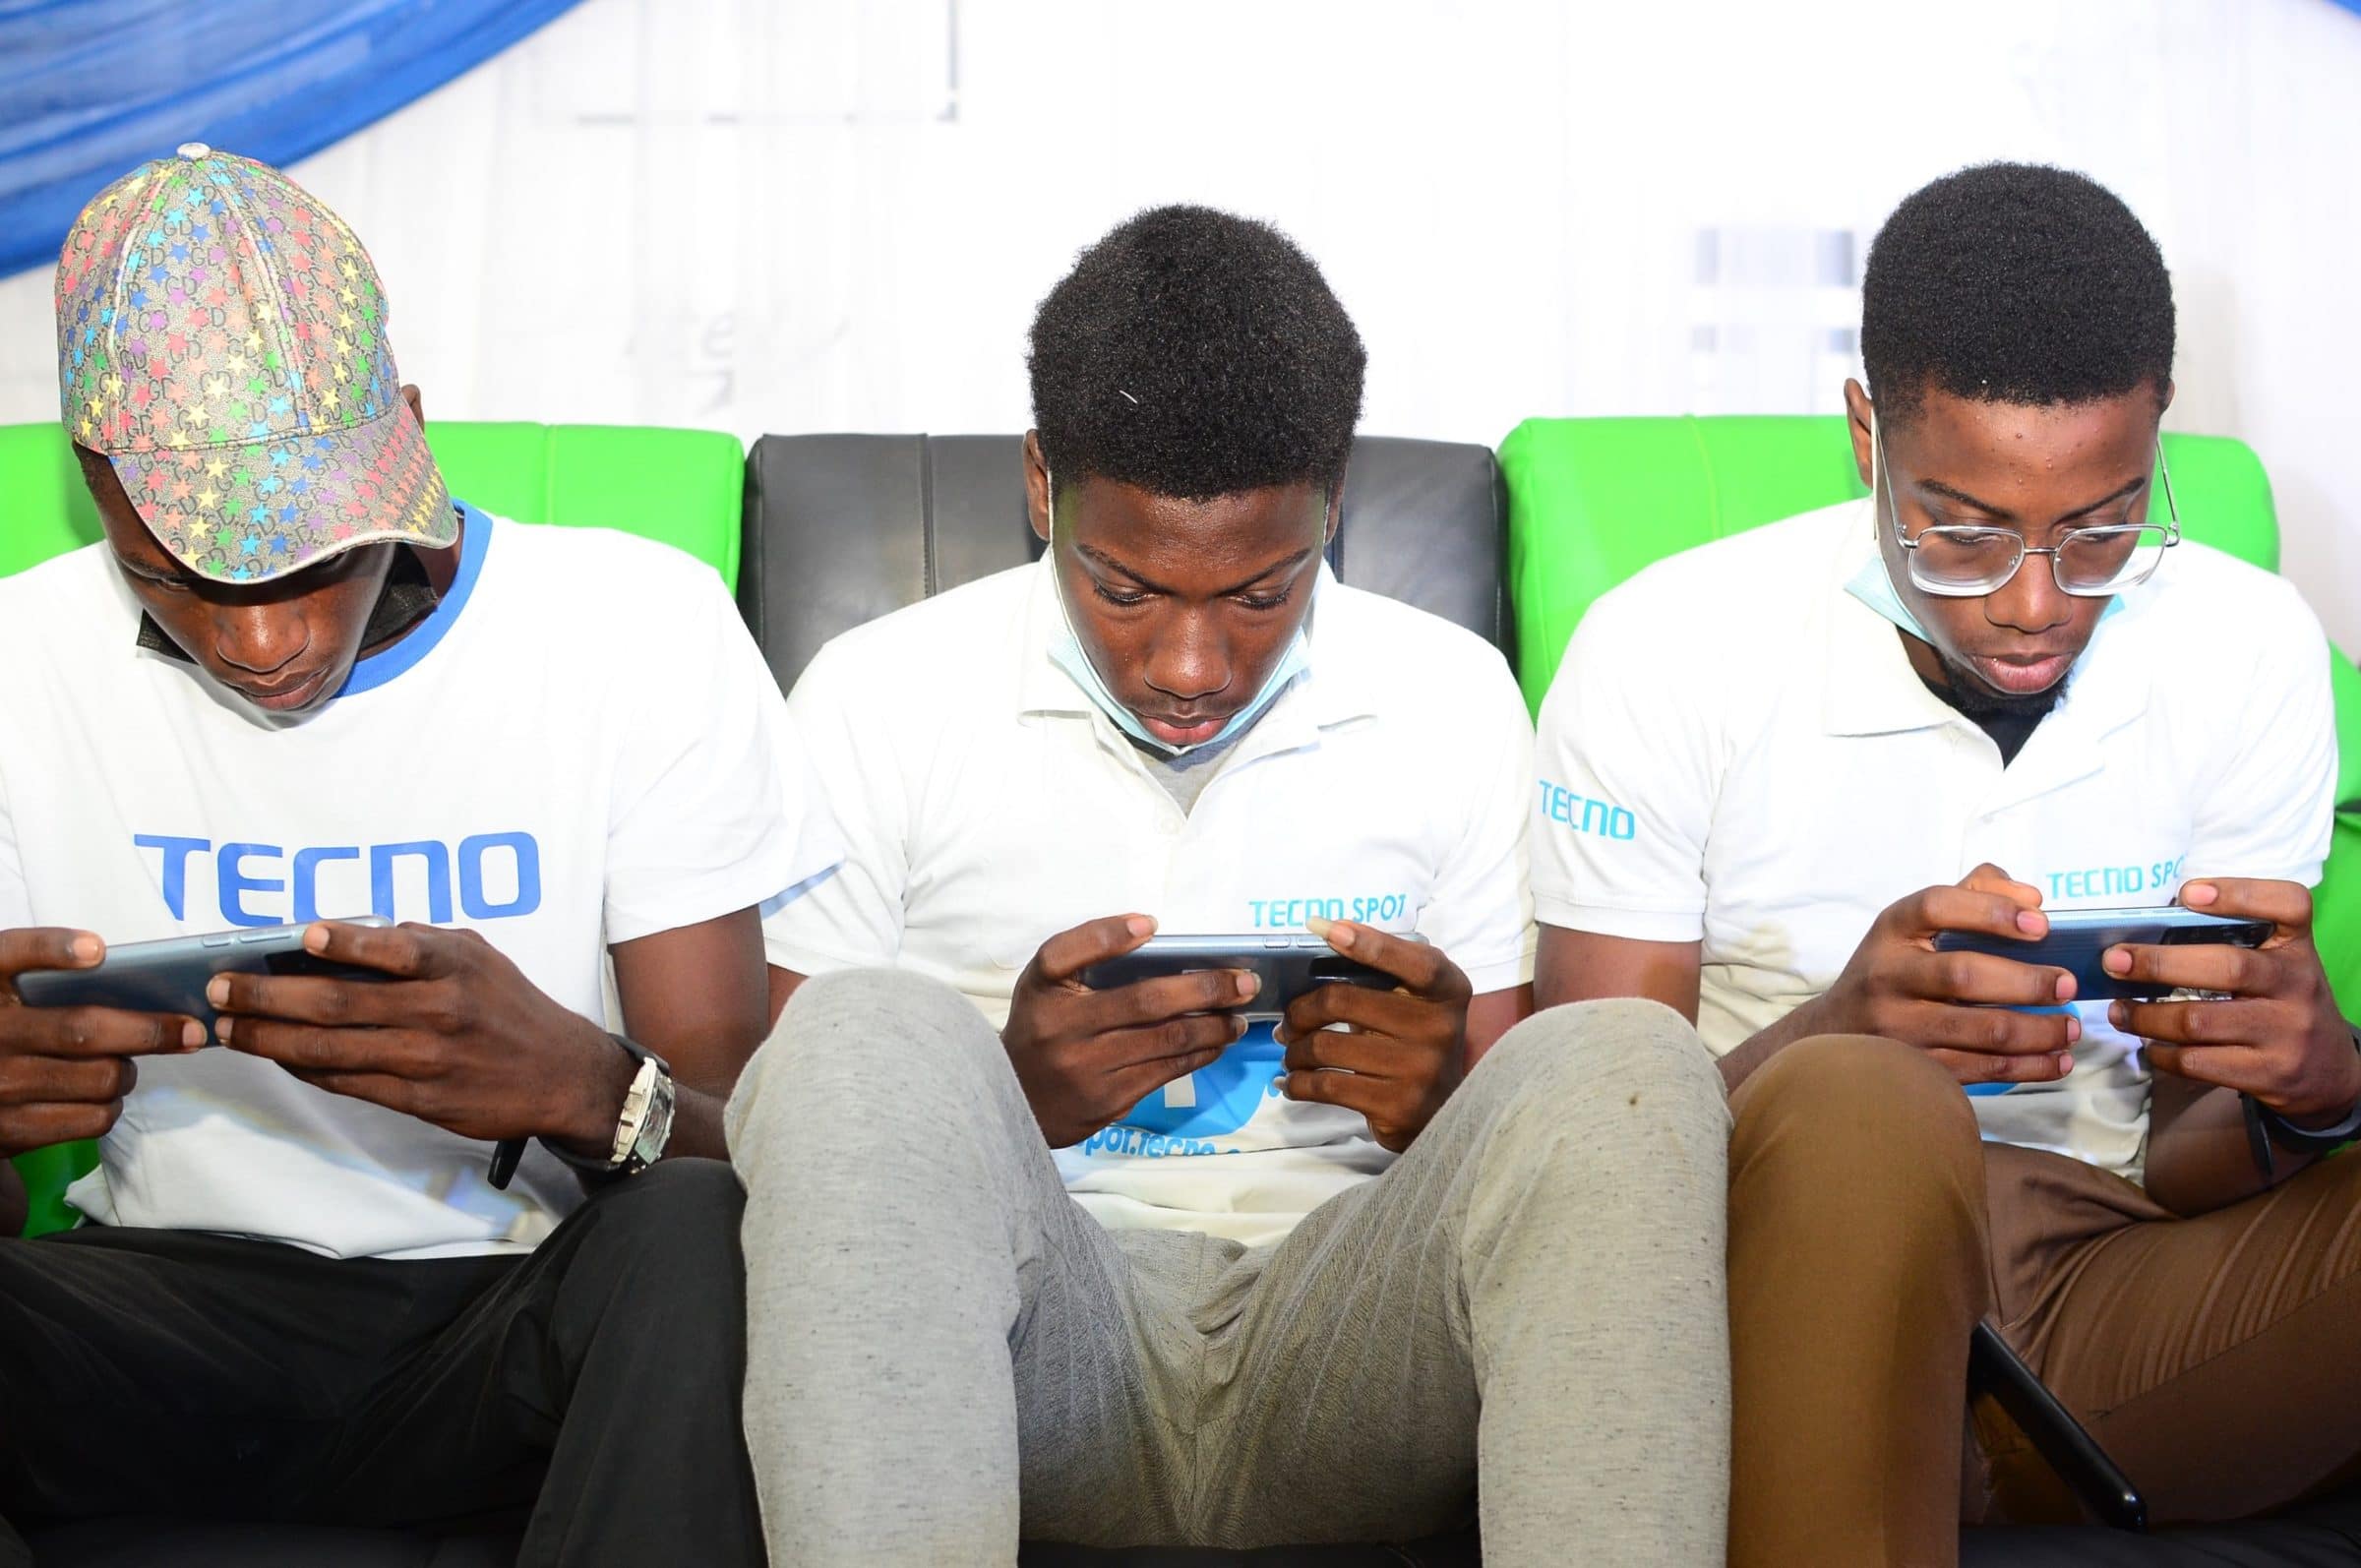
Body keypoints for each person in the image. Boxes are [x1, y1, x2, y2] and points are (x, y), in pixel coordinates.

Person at [726, 205, 1732, 1566]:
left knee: (1625, 1058)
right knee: (857, 1034)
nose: (1191, 667)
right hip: (1031, 1345)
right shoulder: (877, 696)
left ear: (1333, 505)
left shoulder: (1452, 695)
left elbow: (1509, 1146)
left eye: (1260, 594)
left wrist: (1442, 1095)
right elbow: (799, 1127)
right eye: (1126, 590)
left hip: (1349, 1334)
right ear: (1041, 483)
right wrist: (1013, 1096)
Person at [0, 147, 834, 1568]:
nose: (265, 641)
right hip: (157, 1317)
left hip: (514, 1325)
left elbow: (750, 1146)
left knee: (700, 1234)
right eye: (180, 577)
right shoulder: (23, 659)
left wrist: (585, 1088)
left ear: (409, 440)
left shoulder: (635, 628)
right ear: (96, 486)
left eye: (313, 560)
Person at [1534, 161, 2354, 1565]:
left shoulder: (2250, 645)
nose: (2036, 603)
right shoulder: (1667, 648)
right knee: (1865, 1100)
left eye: (2101, 528)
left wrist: (2316, 1085)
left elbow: (2194, 1165)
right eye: (1965, 532)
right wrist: (1834, 1034)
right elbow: (1577, 1175)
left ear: (2158, 433)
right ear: (1868, 436)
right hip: (1766, 1288)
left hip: (2103, 1286)